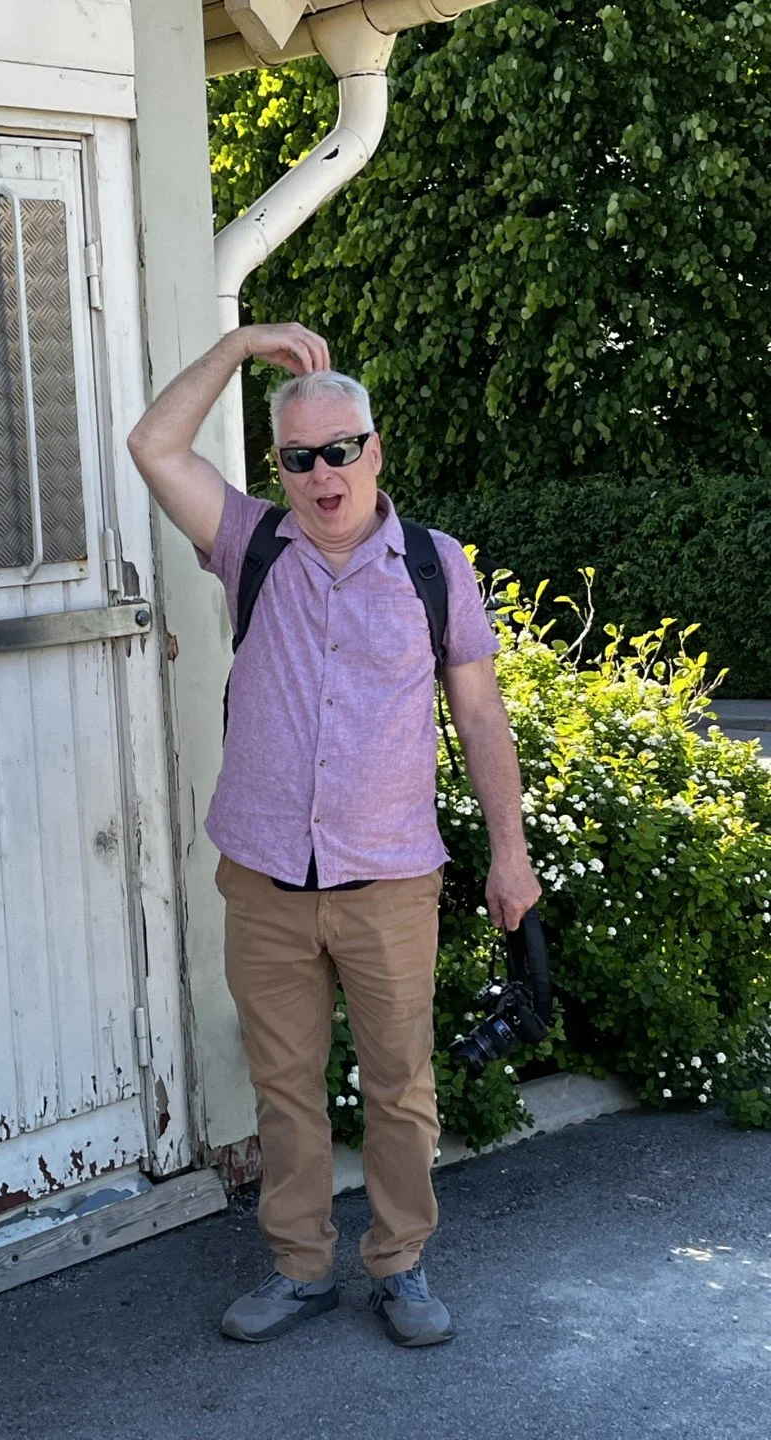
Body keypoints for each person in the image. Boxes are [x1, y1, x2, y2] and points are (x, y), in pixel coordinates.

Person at [127, 322, 541, 1347]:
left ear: (376, 450)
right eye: (300, 459)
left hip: (391, 878)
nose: (324, 477)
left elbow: (480, 718)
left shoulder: (433, 568)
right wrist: (232, 347)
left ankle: (400, 1264)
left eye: (341, 450)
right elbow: (153, 446)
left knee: (401, 1089)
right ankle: (300, 1267)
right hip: (265, 876)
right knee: (284, 1086)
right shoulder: (250, 545)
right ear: (281, 468)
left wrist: (510, 848)